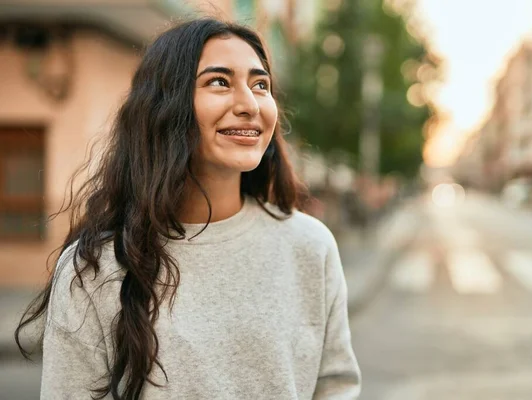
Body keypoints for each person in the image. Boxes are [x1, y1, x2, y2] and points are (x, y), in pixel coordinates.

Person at [15, 18, 361, 400]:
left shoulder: (311, 246)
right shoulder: (96, 268)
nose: (249, 104)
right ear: (165, 105)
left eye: (260, 85)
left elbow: (334, 387)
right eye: (219, 82)